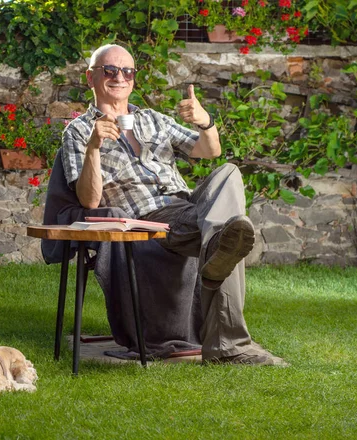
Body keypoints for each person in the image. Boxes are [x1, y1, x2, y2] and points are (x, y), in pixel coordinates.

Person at [61, 44, 287, 366]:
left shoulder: (153, 119)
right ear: (91, 77)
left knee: (229, 173)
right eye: (110, 70)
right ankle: (231, 345)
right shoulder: (79, 132)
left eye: (127, 71)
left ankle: (220, 244)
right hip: (149, 218)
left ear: (134, 79)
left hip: (187, 207)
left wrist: (205, 122)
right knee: (226, 234)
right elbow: (89, 199)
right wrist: (94, 148)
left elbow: (209, 152)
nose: (119, 77)